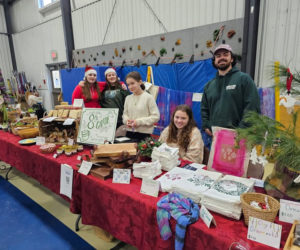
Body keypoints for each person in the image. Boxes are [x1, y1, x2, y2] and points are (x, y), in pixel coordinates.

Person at [201, 44, 261, 138]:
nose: (222, 58)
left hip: (240, 138)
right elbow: (204, 109)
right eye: (218, 56)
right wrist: (206, 126)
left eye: (225, 54)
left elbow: (252, 107)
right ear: (215, 61)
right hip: (216, 137)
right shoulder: (209, 86)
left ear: (232, 59)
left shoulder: (244, 79)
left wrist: (241, 131)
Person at [123, 71, 160, 142]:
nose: (130, 87)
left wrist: (138, 122)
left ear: (140, 82)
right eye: (128, 84)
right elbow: (125, 114)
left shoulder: (149, 97)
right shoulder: (128, 98)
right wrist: (127, 121)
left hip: (144, 135)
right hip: (129, 133)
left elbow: (155, 117)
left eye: (132, 83)